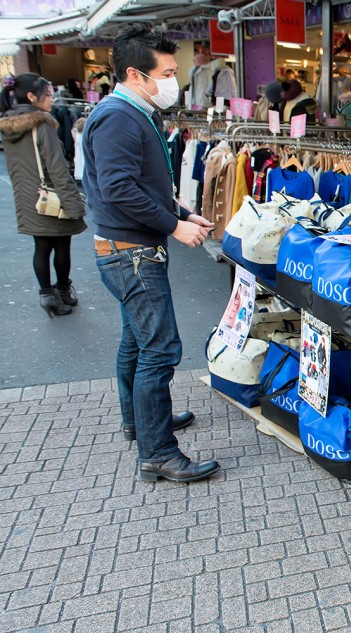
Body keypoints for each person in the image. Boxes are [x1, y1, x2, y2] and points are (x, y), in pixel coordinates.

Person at [82, 23, 219, 484]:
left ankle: (140, 423)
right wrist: (174, 226)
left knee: (136, 342)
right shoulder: (119, 117)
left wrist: (183, 210)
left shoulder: (132, 112)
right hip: (130, 253)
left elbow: (143, 182)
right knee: (159, 348)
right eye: (166, 71)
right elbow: (119, 189)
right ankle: (157, 451)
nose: (172, 79)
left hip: (128, 247)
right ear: (137, 74)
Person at [0, 73, 87, 317]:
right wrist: (73, 203)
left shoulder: (8, 125)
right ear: (31, 96)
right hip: (52, 196)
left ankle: (46, 294)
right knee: (62, 246)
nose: (51, 99)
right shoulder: (42, 124)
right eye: (47, 94)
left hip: (27, 197)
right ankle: (63, 290)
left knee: (41, 246)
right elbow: (57, 168)